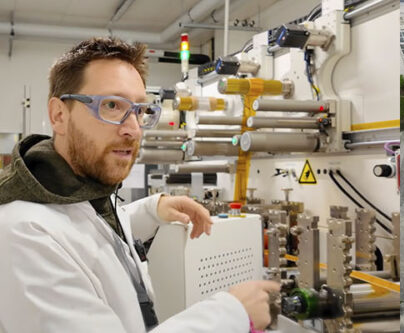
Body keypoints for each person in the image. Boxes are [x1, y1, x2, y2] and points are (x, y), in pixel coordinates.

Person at [0, 37, 277, 332]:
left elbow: (89, 229)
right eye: (111, 105)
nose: (132, 129)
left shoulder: (80, 190)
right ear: (59, 115)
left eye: (139, 110)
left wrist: (153, 209)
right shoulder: (21, 235)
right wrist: (232, 314)